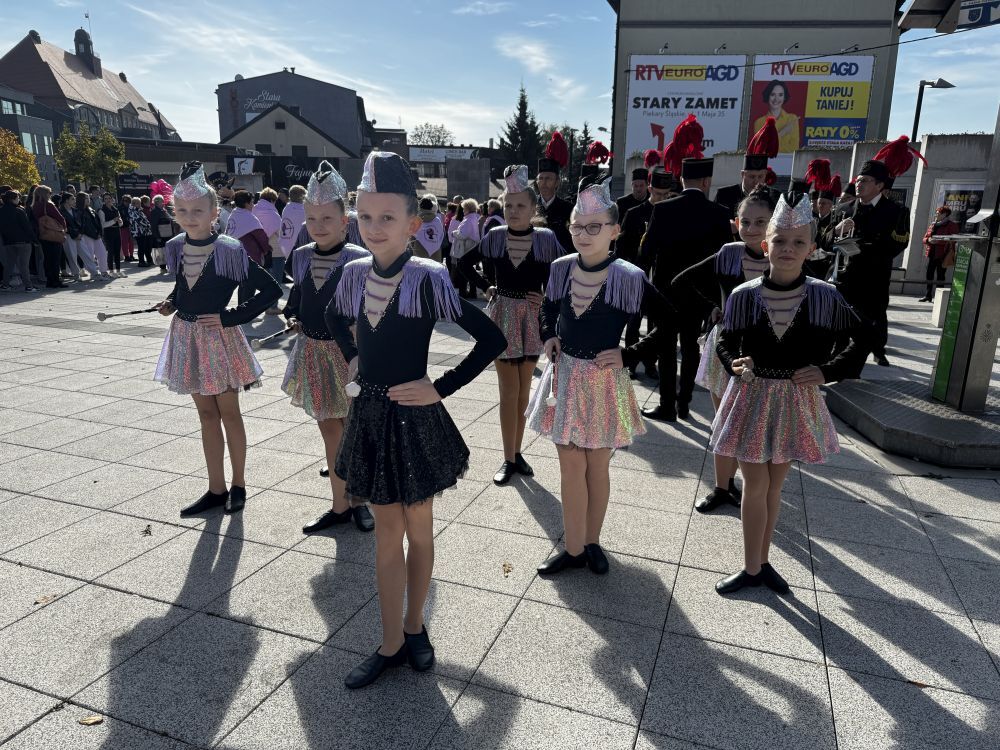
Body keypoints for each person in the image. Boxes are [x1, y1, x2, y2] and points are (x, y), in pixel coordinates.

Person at [324, 151, 506, 689]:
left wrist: (439, 387)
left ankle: (415, 624)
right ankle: (389, 643)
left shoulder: (428, 278)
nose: (374, 228)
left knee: (419, 530)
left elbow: (490, 338)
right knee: (386, 534)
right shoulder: (353, 273)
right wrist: (351, 354)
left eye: (387, 218)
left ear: (413, 224)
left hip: (415, 417)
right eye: (365, 216)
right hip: (371, 416)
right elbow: (332, 317)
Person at [708, 194, 868, 594]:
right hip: (751, 399)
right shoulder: (745, 294)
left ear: (812, 249)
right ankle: (750, 567)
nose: (787, 250)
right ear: (766, 245)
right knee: (756, 484)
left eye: (798, 243)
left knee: (774, 487)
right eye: (779, 241)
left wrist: (827, 371)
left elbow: (862, 337)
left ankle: (761, 563)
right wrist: (734, 363)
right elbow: (725, 340)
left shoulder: (823, 295)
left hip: (796, 401)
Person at [528, 175, 672, 575]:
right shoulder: (560, 268)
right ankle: (573, 547)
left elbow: (672, 322)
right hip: (565, 378)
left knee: (596, 465)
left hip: (605, 382)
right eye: (577, 225)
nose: (584, 234)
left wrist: (631, 353)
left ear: (615, 230)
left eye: (595, 227)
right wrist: (549, 333)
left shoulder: (629, 275)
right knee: (570, 466)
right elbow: (549, 309)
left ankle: (592, 542)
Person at [153, 162, 282, 517]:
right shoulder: (176, 246)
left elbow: (270, 289)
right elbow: (183, 286)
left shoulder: (228, 248)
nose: (189, 216)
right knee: (206, 416)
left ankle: (238, 484)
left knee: (229, 414)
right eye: (182, 210)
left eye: (198, 210)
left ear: (214, 211)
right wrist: (172, 303)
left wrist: (231, 317)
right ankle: (215, 488)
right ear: (174, 212)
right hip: (186, 337)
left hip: (219, 340)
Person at [281, 162, 374, 535]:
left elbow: (372, 306)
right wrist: (292, 315)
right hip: (313, 352)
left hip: (347, 356)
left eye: (327, 218)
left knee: (354, 427)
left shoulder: (358, 259)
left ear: (344, 221)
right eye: (312, 218)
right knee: (329, 429)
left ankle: (361, 500)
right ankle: (339, 505)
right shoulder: (301, 255)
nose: (318, 225)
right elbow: (298, 296)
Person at [457, 165, 565, 485]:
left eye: (521, 206)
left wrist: (545, 301)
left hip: (532, 320)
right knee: (508, 393)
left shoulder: (545, 239)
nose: (514, 211)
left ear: (533, 208)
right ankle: (507, 457)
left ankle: (517, 454)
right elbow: (463, 263)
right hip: (503, 317)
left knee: (522, 394)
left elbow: (561, 277)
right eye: (508, 205)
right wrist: (486, 287)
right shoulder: (494, 236)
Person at [670, 185, 774, 512]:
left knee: (753, 423)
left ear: (773, 224)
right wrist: (712, 307)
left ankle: (754, 486)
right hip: (725, 346)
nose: (752, 229)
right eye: (745, 222)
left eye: (760, 222)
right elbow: (681, 280)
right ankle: (722, 488)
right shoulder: (729, 252)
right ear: (735, 223)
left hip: (764, 354)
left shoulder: (783, 254)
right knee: (723, 420)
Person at [639, 146, 732, 421]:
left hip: (665, 293)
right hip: (699, 295)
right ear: (706, 182)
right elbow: (724, 260)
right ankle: (684, 404)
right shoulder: (719, 213)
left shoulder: (663, 209)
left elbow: (646, 253)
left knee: (666, 348)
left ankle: (667, 404)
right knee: (691, 348)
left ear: (681, 180)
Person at [835, 137, 917, 367]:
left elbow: (897, 244)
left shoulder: (896, 211)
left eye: (865, 181)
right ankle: (838, 354)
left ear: (880, 186)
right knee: (841, 317)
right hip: (844, 276)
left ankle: (878, 349)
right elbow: (824, 239)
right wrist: (837, 231)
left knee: (875, 317)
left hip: (874, 276)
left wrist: (860, 246)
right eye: (858, 180)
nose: (858, 184)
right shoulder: (844, 209)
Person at [617, 164, 678, 379]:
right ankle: (631, 363)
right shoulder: (634, 214)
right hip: (637, 276)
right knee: (633, 322)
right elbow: (621, 248)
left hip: (661, 277)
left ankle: (651, 364)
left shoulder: (673, 215)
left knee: (657, 326)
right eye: (658, 193)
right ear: (650, 189)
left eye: (666, 194)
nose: (661, 198)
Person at [715, 117, 779, 231]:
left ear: (766, 174)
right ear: (742, 174)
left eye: (760, 176)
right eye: (752, 176)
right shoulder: (724, 195)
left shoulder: (775, 197)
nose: (756, 181)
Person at [226, 191, 272, 308]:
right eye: (251, 202)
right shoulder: (248, 217)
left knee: (243, 284)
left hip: (233, 255)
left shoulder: (234, 215)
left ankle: (241, 309)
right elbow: (261, 237)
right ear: (246, 203)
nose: (253, 205)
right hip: (248, 255)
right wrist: (267, 250)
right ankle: (245, 312)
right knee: (249, 285)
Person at [535, 132, 573, 251]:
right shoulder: (529, 205)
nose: (544, 182)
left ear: (557, 182)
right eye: (541, 178)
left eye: (548, 178)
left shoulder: (568, 209)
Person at [31, 186, 68, 289]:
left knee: (47, 259)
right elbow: (60, 218)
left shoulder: (34, 206)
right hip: (54, 235)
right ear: (44, 194)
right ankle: (56, 281)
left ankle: (49, 281)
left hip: (42, 235)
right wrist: (64, 228)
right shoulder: (48, 205)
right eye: (49, 192)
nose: (50, 194)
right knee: (55, 259)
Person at [0, 189, 37, 292]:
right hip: (23, 241)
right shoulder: (19, 210)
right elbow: (27, 227)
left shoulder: (1, 211)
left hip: (8, 242)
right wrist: (35, 240)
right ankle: (29, 286)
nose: (19, 200)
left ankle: (5, 285)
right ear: (12, 199)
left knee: (9, 264)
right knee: (24, 265)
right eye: (18, 198)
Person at [920, 206, 960, 302]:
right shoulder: (933, 224)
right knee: (929, 274)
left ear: (944, 214)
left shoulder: (951, 225)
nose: (936, 215)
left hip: (943, 254)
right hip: (931, 253)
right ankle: (928, 295)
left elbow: (954, 240)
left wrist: (938, 241)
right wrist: (928, 240)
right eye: (936, 213)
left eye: (938, 213)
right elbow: (924, 238)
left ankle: (939, 298)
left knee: (940, 275)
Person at [253, 187, 284, 310]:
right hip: (275, 251)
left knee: (265, 282)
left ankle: (266, 306)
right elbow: (281, 233)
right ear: (272, 200)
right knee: (276, 280)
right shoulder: (273, 214)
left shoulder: (253, 210)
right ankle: (273, 307)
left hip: (258, 251)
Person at [753, 80, 800, 154]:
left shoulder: (792, 119)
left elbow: (794, 149)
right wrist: (782, 132)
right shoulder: (759, 122)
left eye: (780, 95)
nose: (776, 99)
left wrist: (771, 142)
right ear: (768, 96)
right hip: (766, 162)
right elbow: (761, 149)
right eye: (772, 94)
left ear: (784, 97)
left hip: (787, 161)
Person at [449, 198, 481, 298]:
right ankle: (472, 292)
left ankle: (464, 292)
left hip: (465, 248)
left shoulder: (468, 220)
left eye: (464, 208)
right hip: (471, 246)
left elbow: (463, 234)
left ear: (467, 208)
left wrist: (454, 233)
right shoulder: (474, 218)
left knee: (463, 270)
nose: (463, 210)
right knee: (470, 270)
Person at [77, 193, 111, 279]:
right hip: (86, 236)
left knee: (102, 253)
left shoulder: (91, 209)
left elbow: (97, 223)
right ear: (81, 200)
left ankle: (103, 271)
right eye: (86, 198)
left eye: (88, 198)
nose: (88, 200)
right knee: (90, 255)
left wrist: (99, 233)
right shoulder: (78, 211)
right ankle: (94, 273)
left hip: (96, 235)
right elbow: (80, 225)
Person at [59, 192, 88, 281]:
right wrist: (74, 234)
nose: (74, 200)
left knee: (86, 253)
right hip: (68, 236)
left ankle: (94, 272)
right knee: (71, 255)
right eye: (72, 199)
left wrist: (80, 233)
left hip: (79, 235)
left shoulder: (76, 210)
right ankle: (76, 274)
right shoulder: (60, 212)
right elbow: (64, 226)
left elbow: (82, 223)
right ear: (66, 200)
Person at [615, 159, 651, 224]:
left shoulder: (652, 201)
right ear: (632, 185)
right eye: (636, 186)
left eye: (641, 186)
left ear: (647, 185)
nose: (638, 189)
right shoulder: (622, 203)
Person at [410, 194, 444, 262]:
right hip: (435, 251)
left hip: (420, 250)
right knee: (433, 271)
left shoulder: (416, 219)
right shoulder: (437, 220)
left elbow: (411, 236)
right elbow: (441, 235)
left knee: (421, 271)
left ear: (420, 207)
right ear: (431, 207)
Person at [100, 193, 125, 277]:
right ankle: (111, 271)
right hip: (108, 233)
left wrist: (120, 222)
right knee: (110, 252)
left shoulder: (115, 209)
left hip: (117, 231)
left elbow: (121, 223)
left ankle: (118, 270)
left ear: (112, 199)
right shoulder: (101, 210)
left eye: (109, 198)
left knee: (117, 251)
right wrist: (114, 221)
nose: (108, 200)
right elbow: (103, 225)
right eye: (106, 198)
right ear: (103, 200)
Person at [150, 195, 174, 273]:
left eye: (162, 201)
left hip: (168, 234)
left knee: (168, 251)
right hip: (161, 235)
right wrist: (157, 236)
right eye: (161, 201)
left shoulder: (164, 210)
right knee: (161, 251)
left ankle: (169, 266)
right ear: (157, 202)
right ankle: (163, 268)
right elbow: (154, 225)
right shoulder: (154, 212)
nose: (163, 203)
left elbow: (170, 220)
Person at [130, 197, 154, 266]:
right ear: (134, 204)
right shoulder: (133, 211)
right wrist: (148, 225)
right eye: (138, 203)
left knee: (146, 246)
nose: (140, 204)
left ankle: (149, 260)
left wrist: (147, 225)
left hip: (144, 231)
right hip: (139, 232)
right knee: (141, 247)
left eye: (140, 203)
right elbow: (139, 220)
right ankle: (141, 262)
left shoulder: (139, 210)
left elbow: (144, 219)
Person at [119, 194, 136, 261]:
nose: (127, 202)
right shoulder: (120, 208)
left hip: (131, 226)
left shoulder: (131, 207)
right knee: (125, 242)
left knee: (131, 241)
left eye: (129, 200)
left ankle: (131, 255)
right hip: (124, 227)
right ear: (122, 201)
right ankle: (126, 256)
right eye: (125, 200)